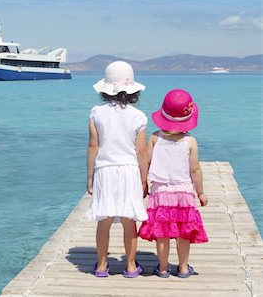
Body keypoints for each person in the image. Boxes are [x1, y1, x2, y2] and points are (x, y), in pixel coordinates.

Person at [86, 61, 149, 278]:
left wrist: (90, 176)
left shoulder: (96, 113)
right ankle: (131, 266)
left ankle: (102, 266)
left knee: (104, 220)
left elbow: (94, 146)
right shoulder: (138, 116)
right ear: (132, 91)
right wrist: (144, 178)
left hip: (104, 170)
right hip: (129, 171)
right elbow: (141, 152)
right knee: (129, 220)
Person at [138, 89, 208, 278]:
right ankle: (183, 268)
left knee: (162, 232)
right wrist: (200, 192)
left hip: (160, 193)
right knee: (183, 233)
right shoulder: (190, 141)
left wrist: (143, 183)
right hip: (184, 194)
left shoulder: (154, 138)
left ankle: (162, 268)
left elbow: (146, 161)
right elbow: (195, 170)